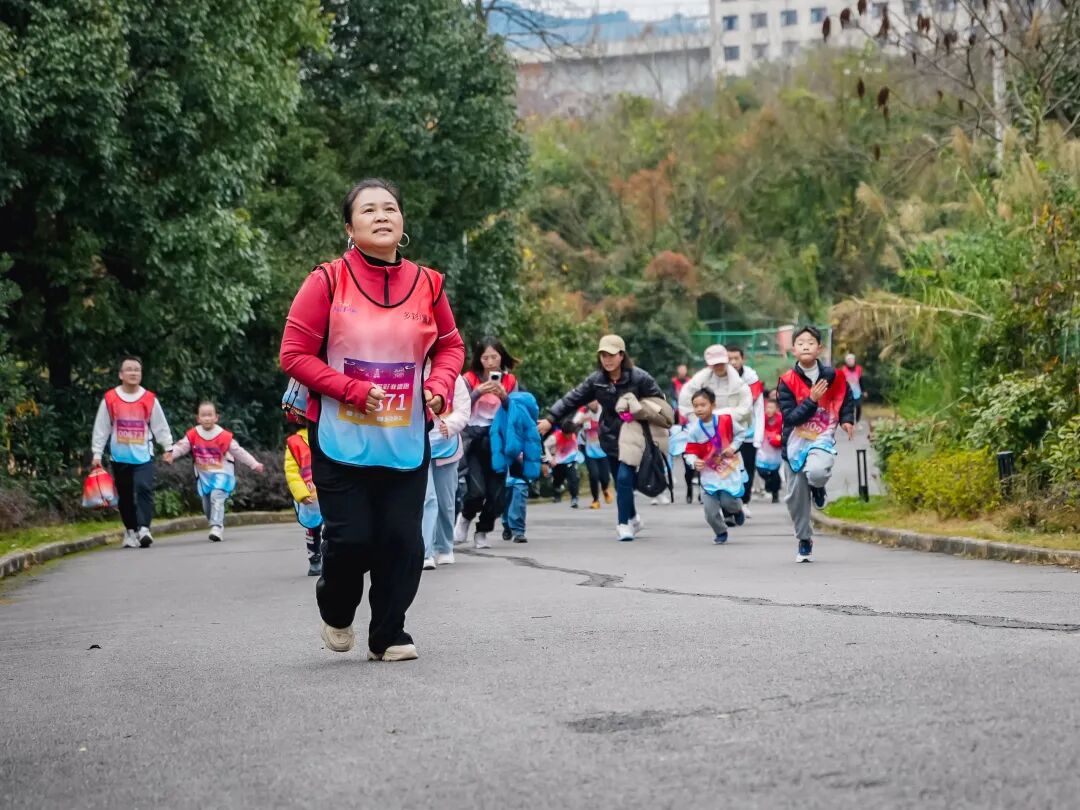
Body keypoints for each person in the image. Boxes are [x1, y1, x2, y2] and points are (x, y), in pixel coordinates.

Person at [280, 177, 466, 661]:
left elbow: (450, 346)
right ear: (349, 226)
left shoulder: (429, 284)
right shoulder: (326, 280)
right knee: (353, 539)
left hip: (404, 438)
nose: (382, 216)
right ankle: (337, 609)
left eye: (390, 208)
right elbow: (294, 354)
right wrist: (352, 391)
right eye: (369, 210)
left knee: (403, 540)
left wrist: (440, 387)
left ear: (402, 222)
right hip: (340, 436)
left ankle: (389, 634)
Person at [539, 335, 670, 542]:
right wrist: (550, 419)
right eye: (602, 355)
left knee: (625, 477)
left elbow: (660, 402)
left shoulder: (640, 378)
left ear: (621, 355)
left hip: (635, 433)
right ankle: (634, 517)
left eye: (611, 355)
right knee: (620, 481)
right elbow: (572, 399)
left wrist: (645, 414)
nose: (606, 359)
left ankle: (623, 524)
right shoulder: (596, 381)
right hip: (609, 434)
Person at [776, 325, 855, 563]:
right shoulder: (786, 382)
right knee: (795, 498)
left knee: (817, 472)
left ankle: (818, 486)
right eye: (800, 343)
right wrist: (811, 400)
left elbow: (846, 398)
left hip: (821, 436)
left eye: (811, 342)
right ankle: (804, 539)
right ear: (793, 350)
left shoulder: (833, 376)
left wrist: (847, 420)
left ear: (819, 348)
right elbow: (790, 417)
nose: (806, 346)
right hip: (794, 441)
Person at [90, 356, 174, 549]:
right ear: (121, 374)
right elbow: (101, 428)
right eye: (129, 369)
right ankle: (130, 530)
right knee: (125, 495)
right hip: (120, 456)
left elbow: (160, 425)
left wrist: (168, 447)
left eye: (137, 369)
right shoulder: (110, 398)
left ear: (141, 375)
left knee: (144, 487)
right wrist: (97, 453)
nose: (133, 373)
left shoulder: (149, 399)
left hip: (144, 455)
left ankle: (144, 528)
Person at [166, 401, 265, 543]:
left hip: (222, 473)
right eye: (203, 415)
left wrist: (254, 464)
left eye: (209, 415)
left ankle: (217, 527)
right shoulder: (193, 434)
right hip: (204, 475)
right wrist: (171, 454)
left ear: (216, 417)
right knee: (207, 505)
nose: (207, 418)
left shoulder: (224, 436)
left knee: (216, 496)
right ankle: (215, 522)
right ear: (198, 418)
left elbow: (239, 452)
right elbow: (181, 447)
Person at [455, 339, 519, 549]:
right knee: (476, 492)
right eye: (485, 357)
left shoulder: (510, 381)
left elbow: (517, 413)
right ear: (478, 359)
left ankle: (482, 530)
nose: (490, 362)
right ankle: (465, 518)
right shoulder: (468, 379)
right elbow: (459, 406)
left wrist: (504, 397)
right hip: (473, 440)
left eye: (494, 357)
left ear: (502, 357)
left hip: (498, 440)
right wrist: (478, 392)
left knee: (497, 495)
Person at [684, 388, 747, 544]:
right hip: (708, 475)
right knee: (710, 512)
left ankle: (737, 509)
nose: (699, 409)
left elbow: (741, 434)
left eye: (703, 405)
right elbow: (689, 453)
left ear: (713, 405)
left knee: (728, 502)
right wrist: (694, 461)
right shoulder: (694, 430)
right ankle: (720, 531)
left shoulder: (726, 420)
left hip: (727, 470)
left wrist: (733, 447)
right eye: (695, 405)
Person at [422, 373, 470, 570]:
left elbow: (463, 409)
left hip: (446, 445)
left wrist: (450, 424)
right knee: (427, 498)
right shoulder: (412, 370)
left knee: (446, 501)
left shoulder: (453, 377)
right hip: (418, 446)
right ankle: (426, 551)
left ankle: (445, 547)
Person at [491, 390, 542, 543]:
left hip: (519, 467)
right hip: (508, 466)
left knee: (518, 495)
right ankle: (508, 525)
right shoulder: (501, 416)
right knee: (507, 498)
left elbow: (533, 445)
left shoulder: (524, 419)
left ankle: (518, 530)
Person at [677, 345, 753, 436]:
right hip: (704, 433)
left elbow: (745, 408)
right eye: (715, 364)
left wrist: (721, 417)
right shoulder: (697, 382)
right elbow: (685, 402)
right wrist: (700, 421)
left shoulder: (740, 384)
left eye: (721, 363)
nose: (719, 366)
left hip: (733, 433)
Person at [283, 411, 324, 577]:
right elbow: (292, 471)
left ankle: (337, 559)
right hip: (310, 496)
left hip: (333, 493)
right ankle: (314, 558)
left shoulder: (331, 437)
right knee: (312, 527)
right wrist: (301, 493)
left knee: (336, 529)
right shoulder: (295, 443)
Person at [727, 346, 765, 513]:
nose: (733, 362)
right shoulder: (719, 380)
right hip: (727, 433)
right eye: (730, 359)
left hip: (748, 433)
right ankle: (729, 503)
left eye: (736, 358)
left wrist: (758, 435)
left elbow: (759, 408)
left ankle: (745, 502)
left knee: (748, 468)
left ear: (743, 359)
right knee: (728, 469)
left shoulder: (752, 380)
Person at [574, 402, 612, 509]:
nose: (592, 403)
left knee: (605, 478)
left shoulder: (604, 409)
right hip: (589, 451)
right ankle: (595, 500)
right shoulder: (583, 411)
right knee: (594, 475)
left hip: (604, 450)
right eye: (590, 401)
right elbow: (573, 423)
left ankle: (605, 490)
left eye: (594, 400)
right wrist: (581, 421)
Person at [545, 418, 582, 508]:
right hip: (558, 462)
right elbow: (545, 446)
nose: (569, 436)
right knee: (558, 480)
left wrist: (577, 457)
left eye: (571, 434)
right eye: (568, 434)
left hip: (569, 461)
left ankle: (574, 498)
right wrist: (550, 459)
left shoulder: (573, 435)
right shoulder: (554, 437)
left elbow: (575, 447)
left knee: (573, 478)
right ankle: (557, 494)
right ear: (563, 432)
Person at [756, 395, 784, 504]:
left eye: (771, 407)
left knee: (774, 472)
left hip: (775, 450)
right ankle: (768, 481)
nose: (769, 410)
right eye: (767, 407)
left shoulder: (781, 419)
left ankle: (775, 494)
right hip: (763, 448)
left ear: (776, 409)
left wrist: (778, 439)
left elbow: (784, 433)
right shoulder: (762, 418)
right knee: (761, 470)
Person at [841, 353, 866, 424]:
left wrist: (864, 391)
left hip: (857, 392)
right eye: (848, 360)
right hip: (847, 392)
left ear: (854, 360)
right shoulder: (844, 370)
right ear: (846, 362)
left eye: (852, 360)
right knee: (849, 408)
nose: (850, 361)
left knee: (858, 407)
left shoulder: (858, 369)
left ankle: (857, 421)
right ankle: (849, 422)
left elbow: (861, 380)